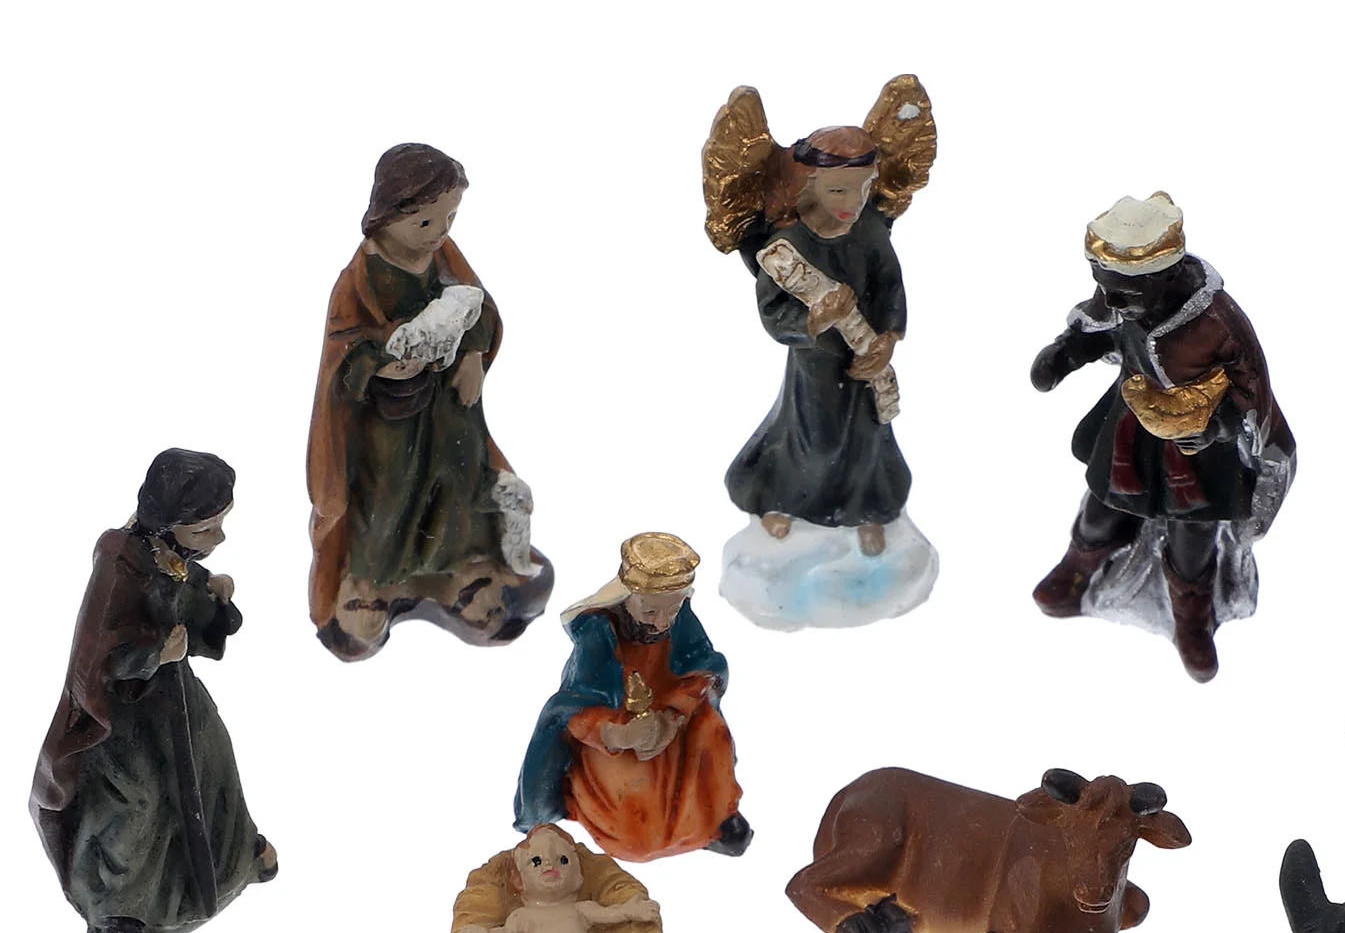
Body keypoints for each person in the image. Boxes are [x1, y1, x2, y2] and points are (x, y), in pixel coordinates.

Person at [1029, 193, 1295, 681]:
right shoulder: (1120, 294)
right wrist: (1064, 355)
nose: (1112, 301)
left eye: (1123, 292)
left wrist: (1216, 427)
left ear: (1167, 276)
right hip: (1131, 424)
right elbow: (1099, 327)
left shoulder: (1217, 322)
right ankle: (1079, 565)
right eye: (1104, 286)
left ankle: (1191, 616)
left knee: (1191, 539)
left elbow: (1251, 388)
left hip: (1201, 445)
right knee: (1101, 509)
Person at [306, 142, 552, 659]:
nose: (440, 231)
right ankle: (377, 576)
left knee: (458, 481)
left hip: (451, 406)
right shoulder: (360, 277)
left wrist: (473, 356)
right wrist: (380, 365)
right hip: (391, 422)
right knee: (388, 500)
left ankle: (458, 563)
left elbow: (480, 308)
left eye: (450, 218)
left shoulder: (443, 256)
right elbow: (342, 349)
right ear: (386, 214)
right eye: (424, 222)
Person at [31, 449, 276, 933]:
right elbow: (95, 651)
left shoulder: (172, 556)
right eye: (206, 528)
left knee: (213, 755)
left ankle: (234, 854)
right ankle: (118, 908)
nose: (219, 538)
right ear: (170, 520)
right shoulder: (120, 563)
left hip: (175, 696)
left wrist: (216, 600)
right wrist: (153, 652)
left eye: (220, 524)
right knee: (137, 800)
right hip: (123, 717)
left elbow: (190, 609)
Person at [725, 125, 911, 555]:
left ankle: (866, 510)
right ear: (808, 184)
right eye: (839, 191)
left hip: (866, 357)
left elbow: (890, 285)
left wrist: (888, 338)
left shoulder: (869, 231)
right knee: (812, 439)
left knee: (868, 438)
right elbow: (773, 312)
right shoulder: (788, 246)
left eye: (864, 188)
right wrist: (815, 319)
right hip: (816, 363)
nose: (854, 202)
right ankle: (781, 500)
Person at [514, 533, 751, 862]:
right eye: (650, 611)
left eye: (672, 610)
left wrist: (672, 714)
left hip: (676, 722)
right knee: (637, 836)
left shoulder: (680, 623)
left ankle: (714, 821)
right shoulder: (598, 636)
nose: (662, 622)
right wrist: (619, 734)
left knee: (711, 733)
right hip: (614, 737)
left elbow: (706, 668)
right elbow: (575, 709)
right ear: (626, 598)